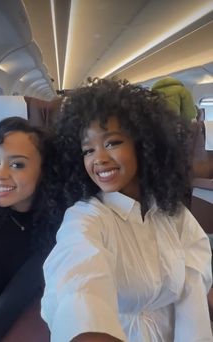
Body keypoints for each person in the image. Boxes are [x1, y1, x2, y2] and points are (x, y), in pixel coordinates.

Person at [41, 78, 212, 342]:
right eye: (88, 150)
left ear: (143, 144)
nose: (98, 158)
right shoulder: (86, 218)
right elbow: (78, 283)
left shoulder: (172, 213)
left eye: (112, 143)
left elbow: (198, 278)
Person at [0, 116, 65, 341]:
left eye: (17, 164)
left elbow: (9, 305)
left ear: (45, 170)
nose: (0, 175)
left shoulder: (53, 233)